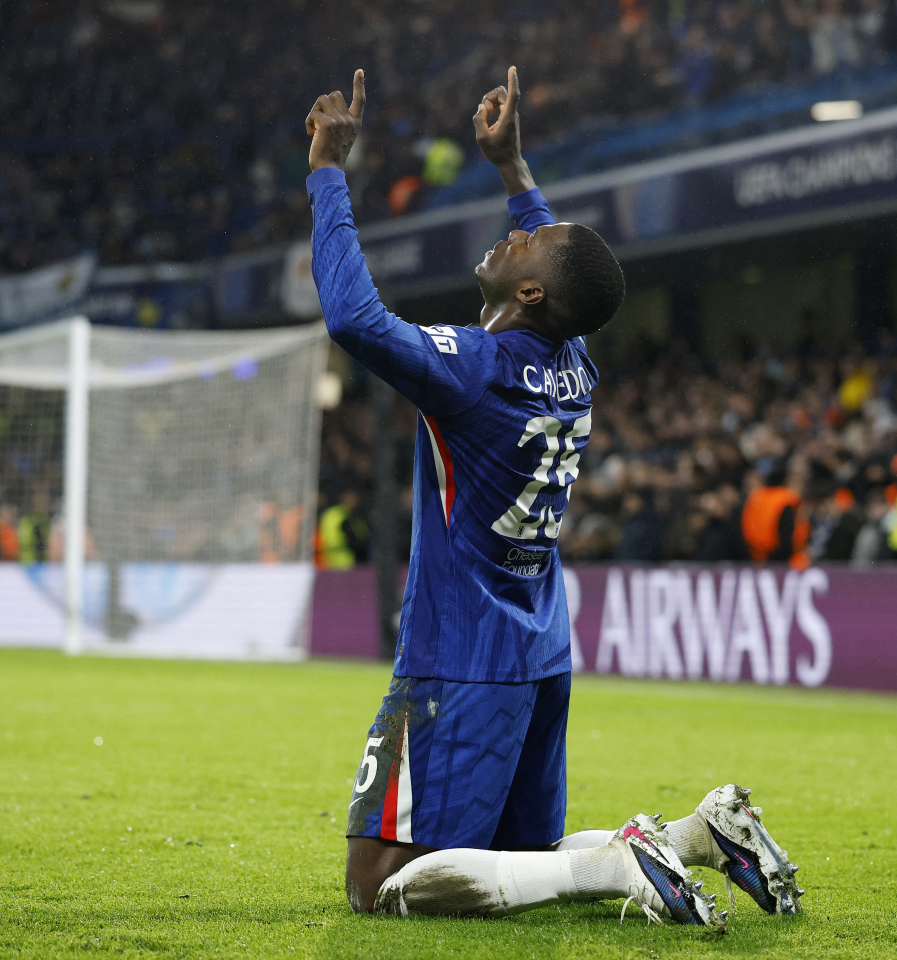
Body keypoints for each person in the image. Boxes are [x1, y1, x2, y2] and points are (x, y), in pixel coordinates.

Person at [306, 66, 802, 925]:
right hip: (539, 648)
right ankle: (698, 835)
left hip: (460, 655)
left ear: (531, 293)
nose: (505, 239)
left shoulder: (475, 371)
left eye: (518, 246)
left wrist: (327, 172)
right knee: (518, 859)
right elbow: (560, 258)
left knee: (378, 887)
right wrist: (513, 169)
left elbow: (353, 320)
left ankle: (619, 866)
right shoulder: (572, 362)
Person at [741, 456, 809, 568]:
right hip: (780, 561)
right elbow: (787, 534)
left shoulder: (755, 497)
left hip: (755, 558)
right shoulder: (786, 498)